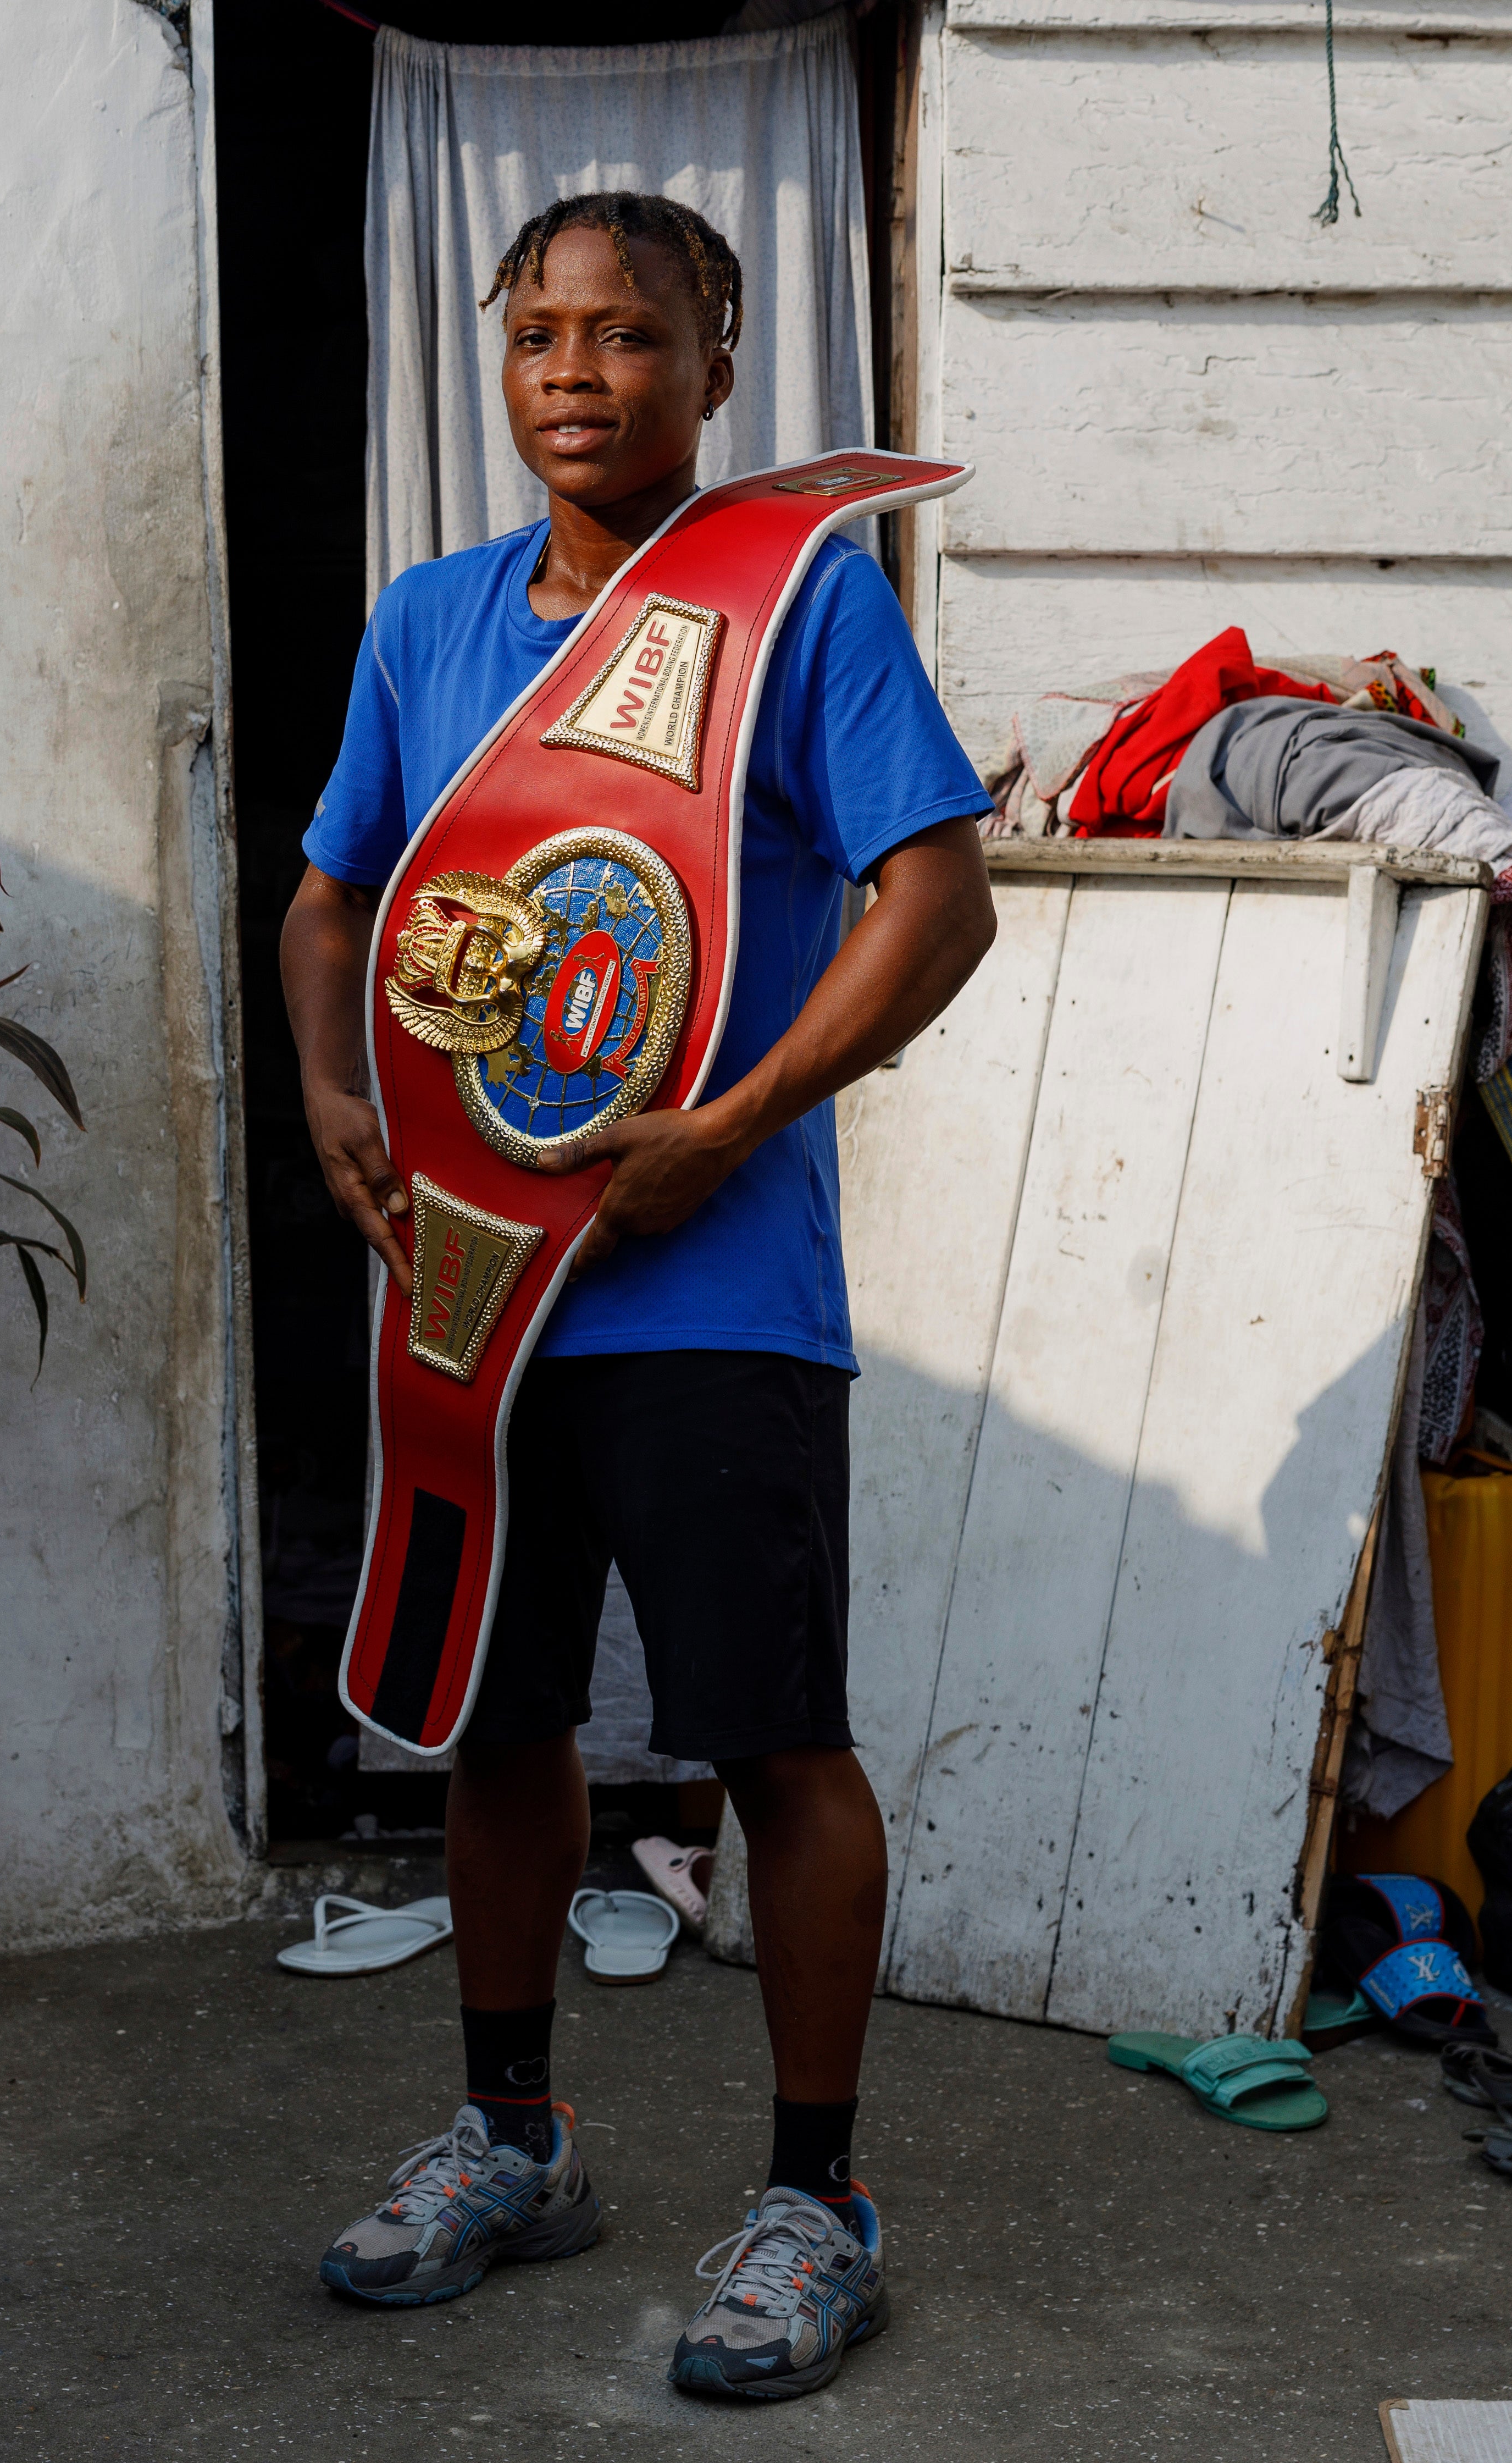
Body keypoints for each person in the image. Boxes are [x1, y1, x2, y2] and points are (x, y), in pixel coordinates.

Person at [281, 190, 996, 2403]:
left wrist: (734, 1122)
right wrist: (330, 1091)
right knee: (499, 1729)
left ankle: (817, 2202)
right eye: (540, 335)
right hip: (473, 1289)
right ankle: (513, 2141)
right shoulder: (429, 621)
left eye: (627, 334)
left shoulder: (801, 603)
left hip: (717, 1289)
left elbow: (940, 902)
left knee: (773, 1739)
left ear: (715, 365)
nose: (577, 373)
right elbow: (330, 901)